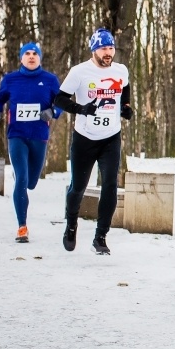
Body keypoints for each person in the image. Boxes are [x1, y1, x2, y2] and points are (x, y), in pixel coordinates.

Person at [54, 28, 132, 255]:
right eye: (103, 49)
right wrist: (80, 109)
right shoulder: (79, 72)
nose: (108, 53)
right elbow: (59, 99)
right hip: (84, 138)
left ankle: (101, 236)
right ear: (93, 50)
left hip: (111, 137)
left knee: (110, 185)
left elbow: (124, 88)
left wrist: (125, 107)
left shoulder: (121, 70)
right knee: (78, 187)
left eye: (111, 48)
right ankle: (71, 224)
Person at [0, 42, 61, 242]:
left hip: (39, 136)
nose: (31, 56)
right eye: (27, 54)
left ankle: (23, 175)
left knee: (31, 182)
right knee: (22, 179)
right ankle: (22, 227)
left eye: (35, 54)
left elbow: (60, 102)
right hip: (17, 135)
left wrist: (53, 112)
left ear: (39, 58)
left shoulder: (49, 80)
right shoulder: (10, 79)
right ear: (21, 58)